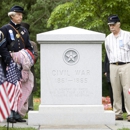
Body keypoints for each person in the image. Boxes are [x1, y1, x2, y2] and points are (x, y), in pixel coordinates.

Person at [0, 5, 34, 123]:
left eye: (21, 15)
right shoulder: (4, 29)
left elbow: (29, 47)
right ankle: (9, 114)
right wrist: (9, 60)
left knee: (20, 89)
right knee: (11, 89)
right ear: (12, 16)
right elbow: (2, 47)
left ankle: (17, 113)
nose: (21, 17)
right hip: (9, 64)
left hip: (22, 65)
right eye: (18, 15)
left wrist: (29, 58)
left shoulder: (24, 30)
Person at [105, 14, 130, 121]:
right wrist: (107, 68)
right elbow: (108, 54)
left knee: (128, 90)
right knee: (115, 90)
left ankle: (129, 113)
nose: (111, 27)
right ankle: (117, 112)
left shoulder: (127, 35)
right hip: (113, 65)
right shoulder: (108, 38)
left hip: (126, 64)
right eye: (110, 25)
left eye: (113, 25)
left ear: (118, 24)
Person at [21, 22, 39, 111]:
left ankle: (30, 107)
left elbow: (36, 55)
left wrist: (28, 62)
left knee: (30, 87)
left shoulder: (32, 44)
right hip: (18, 68)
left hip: (29, 69)